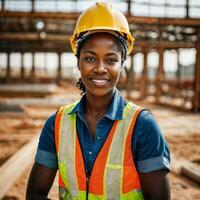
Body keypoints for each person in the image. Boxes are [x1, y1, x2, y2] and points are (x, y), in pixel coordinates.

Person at [26, 2, 171, 200]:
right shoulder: (57, 124)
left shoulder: (142, 126)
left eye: (111, 60)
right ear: (78, 62)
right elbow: (36, 194)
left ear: (121, 65)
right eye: (90, 58)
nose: (101, 68)